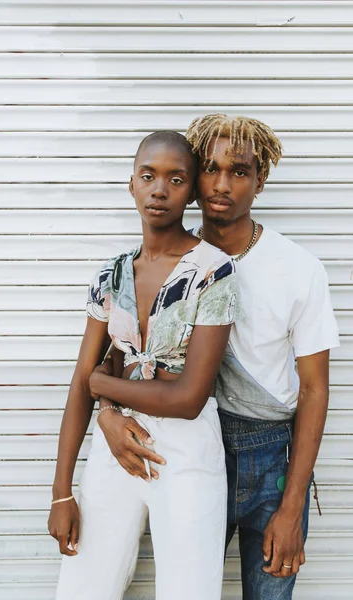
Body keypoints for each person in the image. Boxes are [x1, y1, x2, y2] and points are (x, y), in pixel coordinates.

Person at [102, 114, 340, 599]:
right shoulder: (169, 257)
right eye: (210, 168)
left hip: (270, 456)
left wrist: (292, 504)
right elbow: (122, 351)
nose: (223, 184)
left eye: (240, 170)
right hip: (186, 443)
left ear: (261, 179)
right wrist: (106, 414)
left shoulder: (299, 268)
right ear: (192, 179)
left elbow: (315, 387)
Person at [48, 130, 240, 600]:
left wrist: (102, 385)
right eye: (148, 176)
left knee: (189, 591)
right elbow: (81, 382)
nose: (159, 190)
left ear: (192, 191)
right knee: (84, 588)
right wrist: (61, 492)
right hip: (114, 445)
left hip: (187, 452)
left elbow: (190, 398)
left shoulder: (213, 270)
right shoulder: (111, 274)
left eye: (176, 179)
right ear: (130, 183)